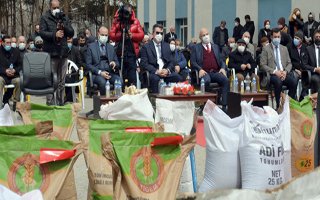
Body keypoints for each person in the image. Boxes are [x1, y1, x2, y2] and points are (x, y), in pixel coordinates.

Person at [40, 0, 74, 105]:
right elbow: (42, 33)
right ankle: (50, 103)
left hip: (63, 53)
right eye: (54, 8)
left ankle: (60, 103)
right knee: (51, 80)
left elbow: (71, 33)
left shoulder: (64, 17)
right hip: (51, 53)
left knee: (61, 82)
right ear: (50, 7)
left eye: (58, 7)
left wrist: (64, 24)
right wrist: (55, 35)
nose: (56, 10)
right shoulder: (45, 17)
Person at [190, 27, 229, 111]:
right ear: (200, 38)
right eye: (203, 35)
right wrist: (199, 69)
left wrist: (222, 68)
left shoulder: (215, 46)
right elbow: (193, 62)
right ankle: (206, 105)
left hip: (215, 72)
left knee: (225, 80)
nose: (206, 36)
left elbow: (222, 60)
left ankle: (224, 105)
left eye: (207, 34)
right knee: (206, 81)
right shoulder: (196, 48)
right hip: (204, 72)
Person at [260, 28, 298, 109]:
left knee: (294, 82)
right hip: (272, 74)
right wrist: (275, 71)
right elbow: (262, 65)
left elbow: (289, 63)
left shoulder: (284, 48)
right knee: (278, 82)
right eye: (275, 37)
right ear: (271, 37)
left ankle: (287, 104)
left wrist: (285, 72)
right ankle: (278, 105)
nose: (277, 39)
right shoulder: (266, 49)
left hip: (283, 73)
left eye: (278, 37)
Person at [140, 24, 182, 93]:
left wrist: (167, 70)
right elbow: (144, 64)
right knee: (155, 79)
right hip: (154, 73)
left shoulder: (166, 46)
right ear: (153, 33)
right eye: (157, 33)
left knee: (178, 77)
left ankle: (175, 102)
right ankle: (156, 101)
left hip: (165, 72)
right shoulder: (146, 47)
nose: (159, 35)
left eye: (161, 33)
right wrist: (157, 71)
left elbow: (172, 61)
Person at [109, 4, 144, 86]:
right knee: (122, 74)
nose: (126, 15)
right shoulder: (117, 21)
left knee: (132, 75)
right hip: (120, 52)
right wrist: (121, 35)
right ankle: (122, 90)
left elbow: (141, 35)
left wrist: (132, 36)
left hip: (131, 52)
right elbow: (112, 35)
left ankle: (132, 90)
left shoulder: (135, 21)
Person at [86, 26, 121, 96]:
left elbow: (117, 63)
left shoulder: (111, 47)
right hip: (97, 74)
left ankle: (117, 102)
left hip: (110, 73)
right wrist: (100, 72)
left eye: (106, 35)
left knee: (119, 81)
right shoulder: (91, 47)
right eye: (102, 35)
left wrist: (114, 63)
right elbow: (88, 65)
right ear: (98, 34)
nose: (104, 37)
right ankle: (103, 103)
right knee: (103, 83)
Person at [0, 35, 21, 109]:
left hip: (13, 76)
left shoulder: (16, 51)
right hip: (2, 76)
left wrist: (15, 70)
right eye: (7, 43)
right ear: (2, 43)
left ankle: (16, 103)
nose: (9, 44)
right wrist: (5, 71)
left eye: (10, 43)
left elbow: (20, 65)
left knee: (19, 81)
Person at [287, 31, 308, 99]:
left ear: (301, 40)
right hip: (293, 69)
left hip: (303, 69)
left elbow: (306, 60)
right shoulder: (289, 47)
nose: (295, 39)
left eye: (297, 38)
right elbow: (287, 62)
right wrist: (295, 70)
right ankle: (293, 97)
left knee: (308, 77)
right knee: (294, 79)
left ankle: (302, 97)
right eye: (294, 37)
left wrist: (303, 70)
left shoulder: (305, 47)